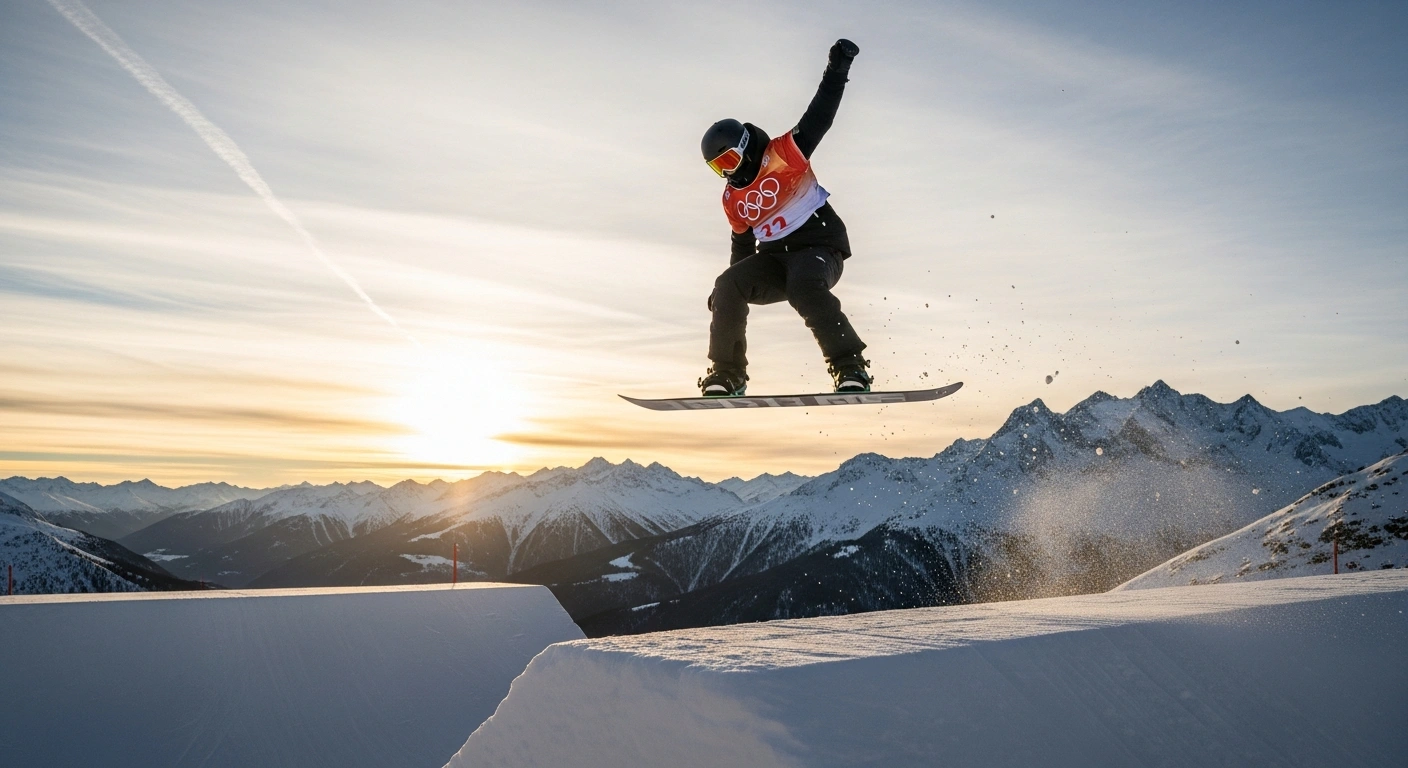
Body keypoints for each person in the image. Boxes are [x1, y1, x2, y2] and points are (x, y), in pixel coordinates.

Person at [698, 38, 870, 397]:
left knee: (803, 286)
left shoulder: (782, 155)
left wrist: (837, 71)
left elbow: (818, 118)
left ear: (744, 149)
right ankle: (728, 373)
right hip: (775, 259)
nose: (727, 173)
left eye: (728, 160)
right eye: (718, 168)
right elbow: (742, 245)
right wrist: (727, 290)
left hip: (820, 248)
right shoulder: (733, 199)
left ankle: (849, 366)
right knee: (727, 284)